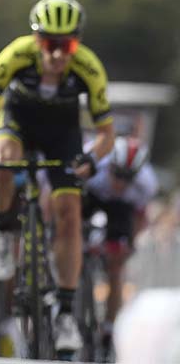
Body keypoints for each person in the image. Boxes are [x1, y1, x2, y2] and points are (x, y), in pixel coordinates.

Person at [0, 0, 115, 357]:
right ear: (36, 39)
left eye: (68, 45)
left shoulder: (89, 67)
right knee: (2, 159)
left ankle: (65, 312)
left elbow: (106, 134)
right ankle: (2, 227)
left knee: (69, 213)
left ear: (78, 42)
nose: (59, 54)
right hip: (18, 121)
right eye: (50, 44)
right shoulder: (16, 55)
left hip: (62, 133)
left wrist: (91, 159)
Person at [84, 136, 158, 349]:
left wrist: (129, 246)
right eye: (116, 174)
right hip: (92, 196)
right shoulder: (95, 163)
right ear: (109, 165)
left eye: (127, 178)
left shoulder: (146, 184)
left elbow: (139, 219)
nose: (120, 183)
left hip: (121, 208)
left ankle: (109, 327)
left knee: (117, 266)